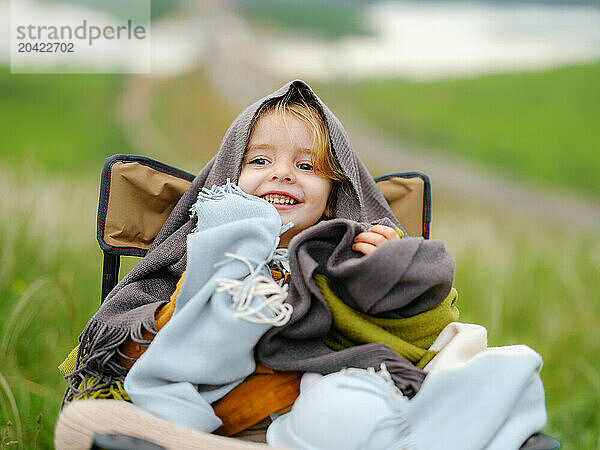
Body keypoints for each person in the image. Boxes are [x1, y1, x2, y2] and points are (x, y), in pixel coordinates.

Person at [56, 80, 458, 448]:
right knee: (80, 423)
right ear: (228, 177)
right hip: (215, 416)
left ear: (335, 197)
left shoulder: (349, 258)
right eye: (260, 161)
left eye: (306, 166)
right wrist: (191, 302)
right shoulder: (197, 250)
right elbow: (126, 340)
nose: (282, 174)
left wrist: (394, 269)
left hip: (323, 414)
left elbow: (429, 337)